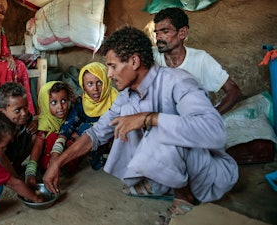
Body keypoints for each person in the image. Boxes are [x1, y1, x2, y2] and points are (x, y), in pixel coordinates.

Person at [43, 26, 239, 224]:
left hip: (207, 173)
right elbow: (96, 133)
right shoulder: (126, 95)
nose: (109, 74)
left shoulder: (178, 81)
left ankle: (185, 198)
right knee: (127, 115)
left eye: (113, 66)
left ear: (134, 61)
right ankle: (158, 183)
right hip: (179, 167)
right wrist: (58, 162)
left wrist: (149, 118)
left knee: (153, 123)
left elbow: (215, 131)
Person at [152, 7, 242, 115]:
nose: (158, 37)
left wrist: (211, 116)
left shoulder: (200, 59)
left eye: (165, 31)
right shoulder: (149, 56)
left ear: (182, 33)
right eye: (156, 33)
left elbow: (234, 91)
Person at [50, 62, 118, 171]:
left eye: (99, 82)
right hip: (91, 141)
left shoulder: (116, 100)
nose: (95, 88)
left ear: (106, 81)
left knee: (84, 128)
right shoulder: (82, 102)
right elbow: (69, 124)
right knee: (73, 132)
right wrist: (56, 151)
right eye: (90, 84)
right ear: (83, 86)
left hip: (113, 139)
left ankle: (110, 158)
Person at [25, 81, 75, 188]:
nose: (60, 107)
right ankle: (50, 169)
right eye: (53, 103)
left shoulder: (71, 117)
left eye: (63, 101)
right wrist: (30, 171)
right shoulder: (44, 122)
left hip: (64, 158)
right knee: (52, 136)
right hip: (47, 161)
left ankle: (65, 167)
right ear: (44, 103)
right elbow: (37, 147)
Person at [0, 82, 38, 177]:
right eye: (17, 110)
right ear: (1, 112)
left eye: (26, 107)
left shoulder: (27, 118)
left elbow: (31, 118)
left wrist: (35, 122)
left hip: (15, 153)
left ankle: (16, 166)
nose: (24, 113)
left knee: (38, 135)